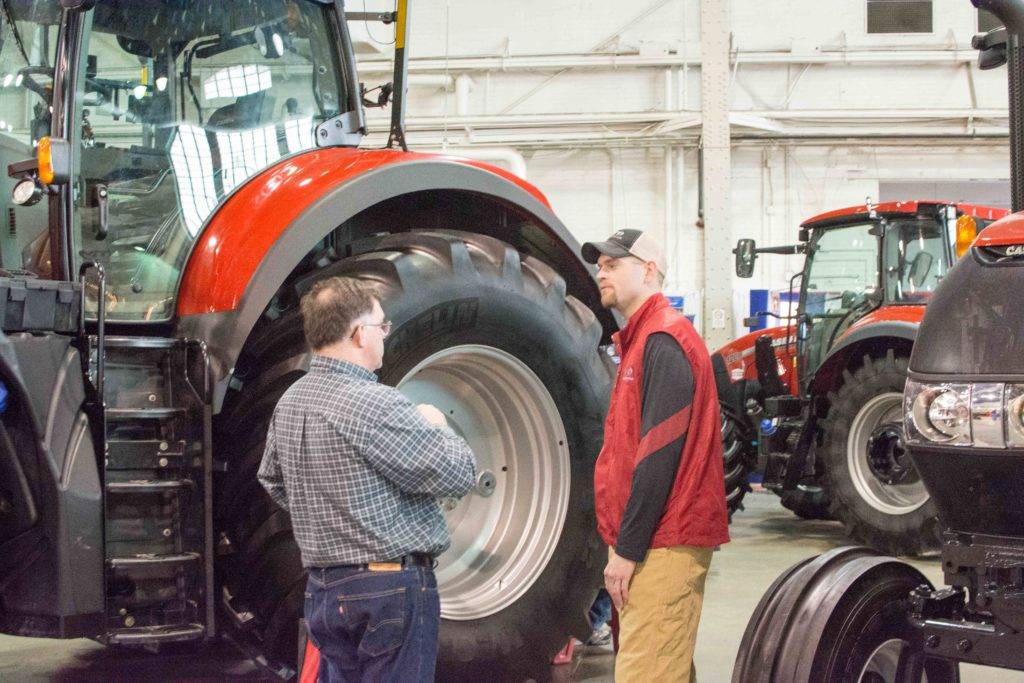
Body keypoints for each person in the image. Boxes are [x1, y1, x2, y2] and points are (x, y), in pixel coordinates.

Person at [258, 276, 476, 682]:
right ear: (359, 334)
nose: (384, 335)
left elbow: (272, 479)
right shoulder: (374, 403)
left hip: (324, 592)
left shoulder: (291, 401)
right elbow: (457, 473)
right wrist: (436, 423)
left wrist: (332, 518)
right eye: (382, 326)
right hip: (388, 593)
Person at [582, 229, 730, 682]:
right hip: (654, 541)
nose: (600, 272)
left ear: (648, 271)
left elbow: (657, 458)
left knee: (647, 672)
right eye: (600, 265)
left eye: (613, 264)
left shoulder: (664, 340)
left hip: (663, 543)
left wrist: (626, 551)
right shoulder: (644, 339)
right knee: (663, 666)